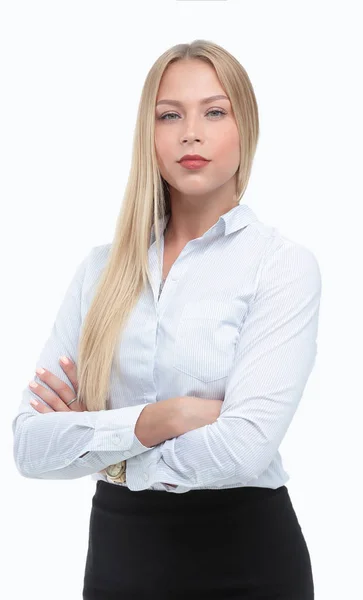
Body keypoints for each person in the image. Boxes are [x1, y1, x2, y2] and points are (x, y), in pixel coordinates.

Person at [12, 39, 321, 599]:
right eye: (169, 115)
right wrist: (165, 417)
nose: (190, 133)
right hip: (118, 559)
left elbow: (245, 445)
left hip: (247, 560)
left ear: (244, 127)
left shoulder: (278, 265)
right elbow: (32, 447)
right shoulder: (101, 271)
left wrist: (106, 452)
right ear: (148, 133)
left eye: (214, 111)